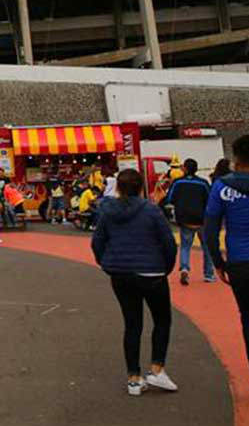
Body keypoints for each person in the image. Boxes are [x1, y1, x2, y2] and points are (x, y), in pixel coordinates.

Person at [91, 168, 178, 397]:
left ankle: (133, 378)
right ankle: (157, 368)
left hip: (120, 273)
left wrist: (107, 263)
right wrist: (165, 268)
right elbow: (168, 242)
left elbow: (97, 241)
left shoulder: (107, 211)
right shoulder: (151, 210)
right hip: (152, 272)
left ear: (117, 187)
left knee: (132, 324)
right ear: (141, 187)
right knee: (161, 319)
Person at [203, 134, 249, 407]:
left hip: (240, 265)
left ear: (235, 158)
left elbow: (209, 230)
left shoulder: (221, 187)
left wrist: (218, 264)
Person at [165, 158, 214, 285]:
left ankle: (185, 268)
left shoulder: (177, 182)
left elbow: (169, 199)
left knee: (185, 246)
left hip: (185, 219)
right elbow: (210, 200)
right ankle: (209, 274)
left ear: (184, 169)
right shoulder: (203, 183)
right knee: (207, 247)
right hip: (202, 219)